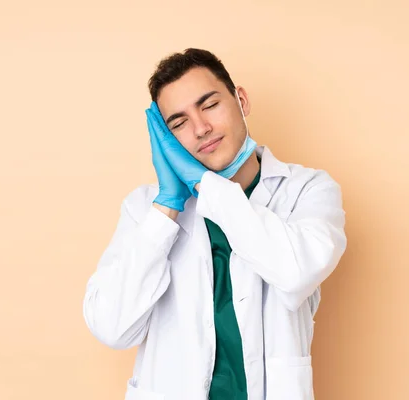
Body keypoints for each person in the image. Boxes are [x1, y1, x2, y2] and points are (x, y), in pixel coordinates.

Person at [83, 48, 347, 400]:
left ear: (241, 99)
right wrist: (168, 205)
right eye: (178, 123)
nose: (200, 128)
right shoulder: (145, 209)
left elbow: (295, 272)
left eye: (209, 105)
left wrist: (205, 184)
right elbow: (112, 327)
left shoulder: (308, 191)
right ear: (166, 140)